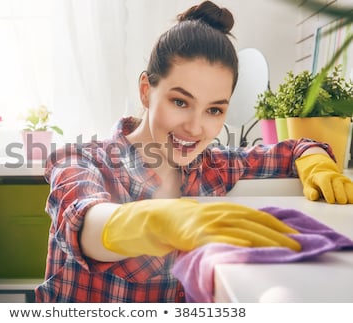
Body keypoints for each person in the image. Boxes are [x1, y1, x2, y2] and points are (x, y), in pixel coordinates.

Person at [35, 1, 353, 303]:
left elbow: (295, 149)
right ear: (146, 91)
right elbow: (85, 223)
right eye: (180, 102)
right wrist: (157, 221)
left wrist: (315, 160)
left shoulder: (213, 167)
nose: (195, 128)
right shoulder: (82, 160)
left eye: (214, 110)